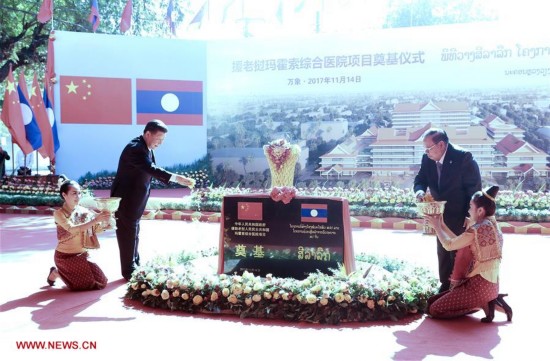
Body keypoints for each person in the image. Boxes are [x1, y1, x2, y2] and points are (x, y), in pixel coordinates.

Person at [111, 119, 195, 281]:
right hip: (126, 199)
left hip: (135, 199)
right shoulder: (135, 148)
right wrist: (177, 178)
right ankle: (128, 271)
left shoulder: (146, 147)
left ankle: (134, 263)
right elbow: (151, 169)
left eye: (162, 141)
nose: (160, 144)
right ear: (148, 134)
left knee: (133, 232)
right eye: (158, 139)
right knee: (127, 234)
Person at [424, 186, 513, 322]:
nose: (468, 210)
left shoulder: (478, 229)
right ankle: (490, 300)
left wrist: (436, 227)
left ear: (480, 210)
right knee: (431, 301)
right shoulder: (492, 224)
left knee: (434, 309)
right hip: (491, 285)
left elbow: (449, 245)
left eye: (471, 206)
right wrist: (441, 225)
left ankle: (485, 304)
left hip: (478, 287)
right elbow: (459, 241)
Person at [414, 128, 481, 293]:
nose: (426, 152)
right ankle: (445, 285)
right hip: (439, 214)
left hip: (460, 214)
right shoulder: (427, 158)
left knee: (460, 252)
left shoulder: (463, 157)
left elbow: (474, 189)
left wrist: (469, 215)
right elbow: (420, 179)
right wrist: (420, 191)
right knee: (443, 250)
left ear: (441, 144)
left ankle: (462, 287)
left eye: (428, 148)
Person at [47, 179, 112, 290]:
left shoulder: (84, 211)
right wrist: (95, 220)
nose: (78, 196)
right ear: (64, 194)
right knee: (78, 286)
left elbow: (95, 229)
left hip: (82, 254)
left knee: (101, 282)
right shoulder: (59, 213)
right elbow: (72, 229)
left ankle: (62, 274)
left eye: (79, 193)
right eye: (74, 193)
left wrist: (106, 223)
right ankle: (56, 273)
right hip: (65, 256)